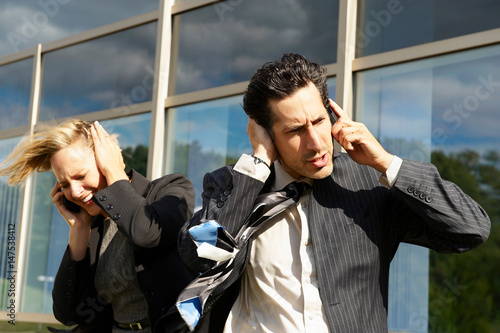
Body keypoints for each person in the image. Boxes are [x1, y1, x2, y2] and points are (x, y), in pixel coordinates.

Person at [174, 53, 491, 332]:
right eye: (296, 130)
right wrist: (256, 166)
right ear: (266, 133)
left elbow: (470, 229)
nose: (315, 143)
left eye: (319, 121)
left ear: (332, 113)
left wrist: (386, 162)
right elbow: (200, 257)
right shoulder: (235, 184)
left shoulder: (367, 184)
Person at [0, 120, 196, 332]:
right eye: (65, 185)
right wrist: (79, 230)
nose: (74, 192)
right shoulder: (94, 228)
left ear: (107, 160)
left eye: (81, 176)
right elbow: (69, 313)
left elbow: (147, 233)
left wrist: (114, 173)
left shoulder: (171, 190)